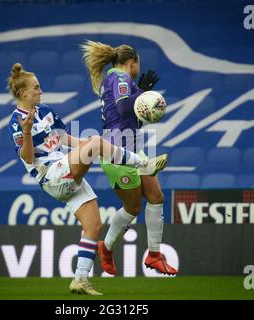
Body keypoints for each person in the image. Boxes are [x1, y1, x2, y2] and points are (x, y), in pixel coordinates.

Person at [6, 63, 167, 295]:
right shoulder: (17, 122)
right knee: (95, 142)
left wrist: (90, 147)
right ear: (23, 93)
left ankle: (80, 279)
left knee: (93, 225)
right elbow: (28, 158)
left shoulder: (46, 111)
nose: (41, 91)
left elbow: (64, 138)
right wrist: (29, 132)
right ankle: (144, 164)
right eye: (36, 88)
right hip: (51, 175)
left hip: (65, 170)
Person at [81, 40, 178, 276]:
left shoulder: (114, 80)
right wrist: (142, 94)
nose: (137, 69)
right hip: (117, 152)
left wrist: (140, 92)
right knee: (133, 207)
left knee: (156, 197)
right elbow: (125, 109)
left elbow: (125, 112)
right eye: (138, 64)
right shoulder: (121, 78)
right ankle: (106, 248)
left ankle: (154, 255)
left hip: (132, 147)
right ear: (131, 62)